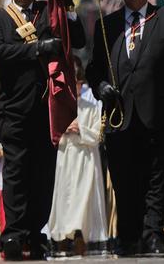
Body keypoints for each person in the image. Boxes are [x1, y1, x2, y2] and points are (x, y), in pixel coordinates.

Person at [87, 0, 164, 255]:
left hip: (155, 115)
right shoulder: (105, 25)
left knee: (155, 179)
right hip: (119, 117)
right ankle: (129, 235)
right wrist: (100, 88)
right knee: (124, 181)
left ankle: (152, 234)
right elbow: (94, 69)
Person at [0, 0, 85, 260]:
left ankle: (37, 231)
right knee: (16, 174)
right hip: (14, 108)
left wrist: (69, 8)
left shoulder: (48, 13)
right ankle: (15, 232)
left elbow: (77, 40)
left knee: (43, 173)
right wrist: (37, 49)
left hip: (46, 107)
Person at [47, 56, 107, 255]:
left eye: (79, 84)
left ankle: (81, 234)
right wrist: (63, 129)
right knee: (66, 196)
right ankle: (63, 235)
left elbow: (97, 134)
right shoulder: (61, 107)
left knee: (82, 197)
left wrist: (80, 129)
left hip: (85, 158)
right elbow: (54, 133)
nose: (76, 88)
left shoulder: (91, 108)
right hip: (66, 157)